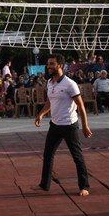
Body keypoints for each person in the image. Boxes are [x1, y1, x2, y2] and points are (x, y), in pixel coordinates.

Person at [34, 54, 92, 196]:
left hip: (69, 125)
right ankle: (44, 184)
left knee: (77, 156)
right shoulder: (50, 82)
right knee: (48, 154)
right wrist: (41, 114)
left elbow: (81, 106)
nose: (49, 66)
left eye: (52, 64)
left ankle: (84, 186)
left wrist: (85, 126)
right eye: (48, 64)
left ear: (60, 65)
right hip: (55, 125)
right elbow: (50, 102)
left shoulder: (70, 84)